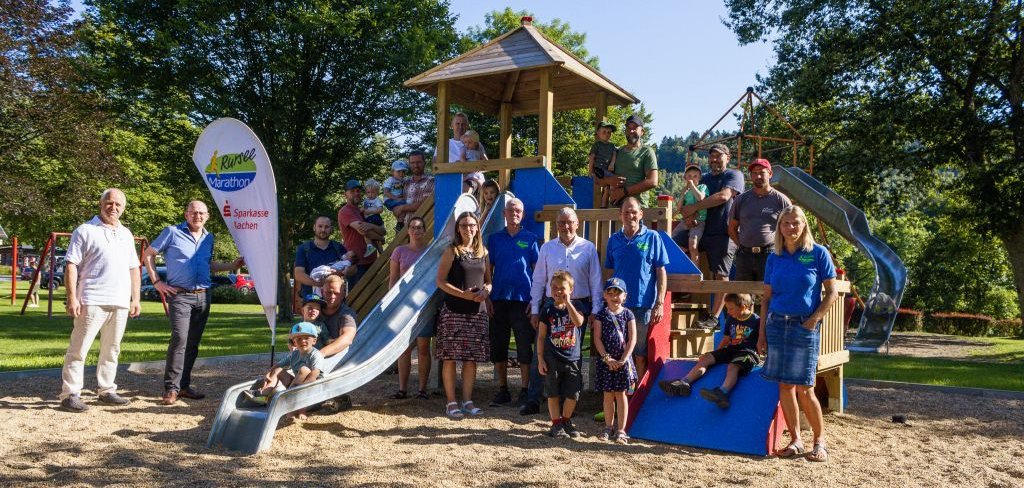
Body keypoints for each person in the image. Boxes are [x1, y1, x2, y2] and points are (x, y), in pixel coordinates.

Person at [757, 205, 839, 462]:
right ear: (779, 228)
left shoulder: (818, 254)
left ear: (804, 225)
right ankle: (795, 440)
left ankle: (819, 442)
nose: (791, 228)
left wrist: (814, 320)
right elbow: (766, 299)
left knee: (805, 387)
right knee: (785, 385)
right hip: (777, 324)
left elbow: (832, 293)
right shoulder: (774, 257)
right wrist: (761, 334)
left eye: (796, 223)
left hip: (805, 326)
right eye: (786, 223)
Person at [145, 200, 244, 406]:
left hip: (203, 295)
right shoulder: (172, 232)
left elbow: (209, 265)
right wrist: (157, 282)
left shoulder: (209, 237)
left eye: (201, 213)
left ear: (207, 216)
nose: (197, 216)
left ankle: (183, 386)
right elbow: (148, 255)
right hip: (180, 295)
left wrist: (232, 265)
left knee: (192, 343)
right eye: (193, 212)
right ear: (186, 214)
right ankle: (170, 389)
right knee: (180, 339)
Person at [58, 188, 141, 412]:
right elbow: (71, 264)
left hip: (120, 301)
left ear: (123, 208)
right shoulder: (85, 230)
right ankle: (70, 393)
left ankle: (106, 390)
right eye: (109, 202)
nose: (113, 207)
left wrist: (136, 299)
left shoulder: (126, 233)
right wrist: (72, 297)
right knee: (79, 348)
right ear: (101, 204)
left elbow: (134, 268)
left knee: (112, 349)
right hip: (92, 298)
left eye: (118, 204)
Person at [527, 207, 602, 416]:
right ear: (556, 225)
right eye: (561, 223)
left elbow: (595, 281)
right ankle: (534, 399)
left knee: (573, 355)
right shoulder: (547, 249)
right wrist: (535, 308)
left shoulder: (588, 248)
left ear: (577, 224)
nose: (566, 226)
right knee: (541, 351)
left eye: (569, 222)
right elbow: (539, 280)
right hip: (551, 305)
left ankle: (568, 404)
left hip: (578, 306)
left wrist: (596, 310)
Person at [679, 143, 744, 329]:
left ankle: (714, 317)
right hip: (701, 230)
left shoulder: (734, 175)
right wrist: (688, 214)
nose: (714, 159)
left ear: (728, 157)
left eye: (719, 156)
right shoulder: (703, 178)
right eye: (711, 156)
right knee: (673, 247)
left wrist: (695, 208)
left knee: (721, 274)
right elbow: (687, 200)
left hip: (724, 232)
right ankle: (684, 290)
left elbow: (724, 197)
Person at [658, 293, 760, 409]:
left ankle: (723, 392)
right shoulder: (731, 318)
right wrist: (715, 355)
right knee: (706, 358)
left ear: (744, 307)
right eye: (727, 309)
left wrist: (762, 355)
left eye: (731, 308)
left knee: (733, 367)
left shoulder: (756, 321)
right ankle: (684, 382)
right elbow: (726, 339)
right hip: (731, 350)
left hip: (748, 352)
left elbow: (763, 340)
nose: (729, 312)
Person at [605, 197, 669, 383]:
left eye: (634, 211)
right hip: (618, 308)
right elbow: (610, 272)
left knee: (640, 354)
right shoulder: (613, 240)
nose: (630, 215)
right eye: (626, 212)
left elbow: (661, 271)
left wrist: (659, 302)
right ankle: (620, 394)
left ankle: (638, 398)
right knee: (618, 351)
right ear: (620, 215)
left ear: (641, 214)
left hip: (643, 305)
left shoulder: (653, 237)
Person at [435, 211, 492, 419]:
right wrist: (463, 295)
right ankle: (451, 402)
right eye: (464, 225)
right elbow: (440, 281)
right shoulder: (452, 251)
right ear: (458, 228)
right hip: (454, 311)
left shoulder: (483, 251)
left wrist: (487, 291)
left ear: (477, 228)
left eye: (472, 225)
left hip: (477, 312)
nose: (469, 228)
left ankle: (467, 400)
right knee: (450, 358)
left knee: (471, 359)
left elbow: (488, 280)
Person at [485, 198, 540, 407]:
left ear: (523, 215)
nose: (514, 214)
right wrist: (488, 297)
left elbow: (538, 272)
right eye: (511, 210)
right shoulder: (494, 239)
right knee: (498, 346)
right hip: (498, 299)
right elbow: (487, 270)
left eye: (518, 211)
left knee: (525, 347)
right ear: (504, 214)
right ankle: (503, 389)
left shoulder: (531, 239)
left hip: (523, 301)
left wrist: (535, 300)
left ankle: (525, 390)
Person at [537, 270, 585, 438]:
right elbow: (542, 336)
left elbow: (578, 322)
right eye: (554, 288)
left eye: (562, 288)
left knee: (573, 393)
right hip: (552, 358)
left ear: (571, 289)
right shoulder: (547, 309)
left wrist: (568, 304)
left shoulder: (577, 306)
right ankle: (556, 423)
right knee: (553, 392)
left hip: (572, 357)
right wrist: (540, 358)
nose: (558, 292)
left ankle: (566, 420)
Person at [242, 322, 324, 420]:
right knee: (278, 370)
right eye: (298, 339)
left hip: (313, 394)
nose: (302, 341)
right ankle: (264, 395)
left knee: (304, 370)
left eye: (306, 338)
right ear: (294, 342)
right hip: (295, 388)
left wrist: (297, 391)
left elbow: (314, 375)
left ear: (314, 341)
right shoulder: (294, 354)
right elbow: (278, 366)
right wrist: (268, 374)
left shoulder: (316, 354)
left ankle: (296, 410)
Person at [389, 216, 432, 400]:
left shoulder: (429, 251)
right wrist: (391, 301)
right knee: (403, 347)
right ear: (408, 231)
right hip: (402, 304)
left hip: (423, 303)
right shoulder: (399, 251)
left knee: (423, 346)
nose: (416, 231)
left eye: (419, 227)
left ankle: (422, 389)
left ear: (424, 231)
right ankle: (402, 389)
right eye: (413, 227)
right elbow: (393, 279)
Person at [729, 159, 791, 281]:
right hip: (744, 256)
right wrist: (742, 246)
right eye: (754, 173)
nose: (758, 176)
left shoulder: (781, 201)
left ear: (770, 174)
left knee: (769, 294)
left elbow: (791, 229)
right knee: (741, 297)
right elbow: (731, 228)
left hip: (770, 255)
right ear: (751, 176)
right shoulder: (741, 200)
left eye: (762, 172)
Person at [592, 277, 637, 444]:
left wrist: (623, 359)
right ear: (604, 295)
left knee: (621, 394)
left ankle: (621, 430)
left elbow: (632, 339)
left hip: (623, 362)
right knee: (608, 395)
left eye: (617, 293)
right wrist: (606, 358)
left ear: (625, 296)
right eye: (610, 293)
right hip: (606, 362)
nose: (614, 297)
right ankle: (608, 427)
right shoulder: (601, 315)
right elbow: (597, 338)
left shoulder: (628, 314)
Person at [293, 215, 355, 303]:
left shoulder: (338, 248)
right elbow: (299, 274)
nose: (323, 230)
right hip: (312, 301)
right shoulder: (303, 249)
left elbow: (354, 268)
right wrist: (320, 284)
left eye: (326, 227)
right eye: (320, 226)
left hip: (335, 300)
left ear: (331, 229)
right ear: (314, 227)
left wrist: (343, 272)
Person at [602, 114, 658, 207]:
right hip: (614, 211)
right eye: (628, 128)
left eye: (635, 128)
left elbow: (652, 181)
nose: (631, 131)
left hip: (636, 210)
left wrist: (624, 192)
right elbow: (600, 178)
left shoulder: (647, 151)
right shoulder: (616, 152)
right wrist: (610, 180)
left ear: (642, 131)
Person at [338, 179, 384, 285]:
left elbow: (383, 230)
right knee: (358, 298)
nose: (356, 193)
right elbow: (363, 231)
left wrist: (370, 225)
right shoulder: (345, 211)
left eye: (358, 191)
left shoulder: (363, 211)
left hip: (371, 261)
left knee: (374, 296)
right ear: (345, 194)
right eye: (352, 191)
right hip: (356, 263)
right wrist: (380, 238)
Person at [673, 164, 708, 265]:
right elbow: (679, 208)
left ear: (700, 178)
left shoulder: (702, 187)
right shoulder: (686, 191)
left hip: (699, 221)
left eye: (695, 176)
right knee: (672, 240)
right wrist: (683, 194)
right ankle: (678, 265)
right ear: (685, 178)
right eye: (689, 176)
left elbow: (700, 198)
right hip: (685, 220)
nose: (692, 179)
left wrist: (692, 186)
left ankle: (695, 272)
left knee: (693, 244)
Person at [392, 151, 435, 226]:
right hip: (403, 226)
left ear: (424, 163)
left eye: (418, 162)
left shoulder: (431, 181)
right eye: (412, 163)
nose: (415, 165)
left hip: (421, 227)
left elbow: (425, 204)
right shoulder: (405, 182)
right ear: (409, 164)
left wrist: (401, 208)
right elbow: (397, 199)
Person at [588, 120, 618, 208]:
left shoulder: (612, 145)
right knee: (613, 181)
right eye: (604, 132)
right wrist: (590, 171)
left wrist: (612, 163)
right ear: (598, 133)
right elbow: (592, 158)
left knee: (608, 186)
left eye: (609, 132)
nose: (607, 134)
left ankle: (604, 205)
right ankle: (612, 202)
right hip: (599, 169)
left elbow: (614, 155)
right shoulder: (596, 145)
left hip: (607, 169)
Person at [361, 178, 387, 252]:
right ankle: (378, 248)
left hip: (374, 218)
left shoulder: (377, 200)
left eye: (372, 192)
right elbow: (363, 208)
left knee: (365, 231)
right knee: (373, 236)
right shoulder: (365, 200)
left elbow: (380, 209)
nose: (370, 194)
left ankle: (370, 246)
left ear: (377, 192)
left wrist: (369, 211)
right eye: (368, 192)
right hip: (368, 218)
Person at [383, 160, 409, 230]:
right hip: (389, 200)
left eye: (403, 171)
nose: (401, 173)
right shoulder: (390, 180)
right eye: (398, 171)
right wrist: (396, 198)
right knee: (406, 204)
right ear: (392, 172)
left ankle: (400, 224)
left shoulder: (403, 180)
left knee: (404, 209)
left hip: (397, 200)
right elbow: (386, 192)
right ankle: (400, 224)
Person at [459, 128, 487, 194]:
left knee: (482, 185)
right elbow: (462, 158)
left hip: (477, 172)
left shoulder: (479, 150)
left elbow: (486, 161)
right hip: (468, 171)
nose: (467, 144)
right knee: (462, 182)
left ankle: (482, 200)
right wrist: (468, 166)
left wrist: (481, 166)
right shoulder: (464, 148)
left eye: (470, 142)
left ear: (475, 143)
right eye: (465, 142)